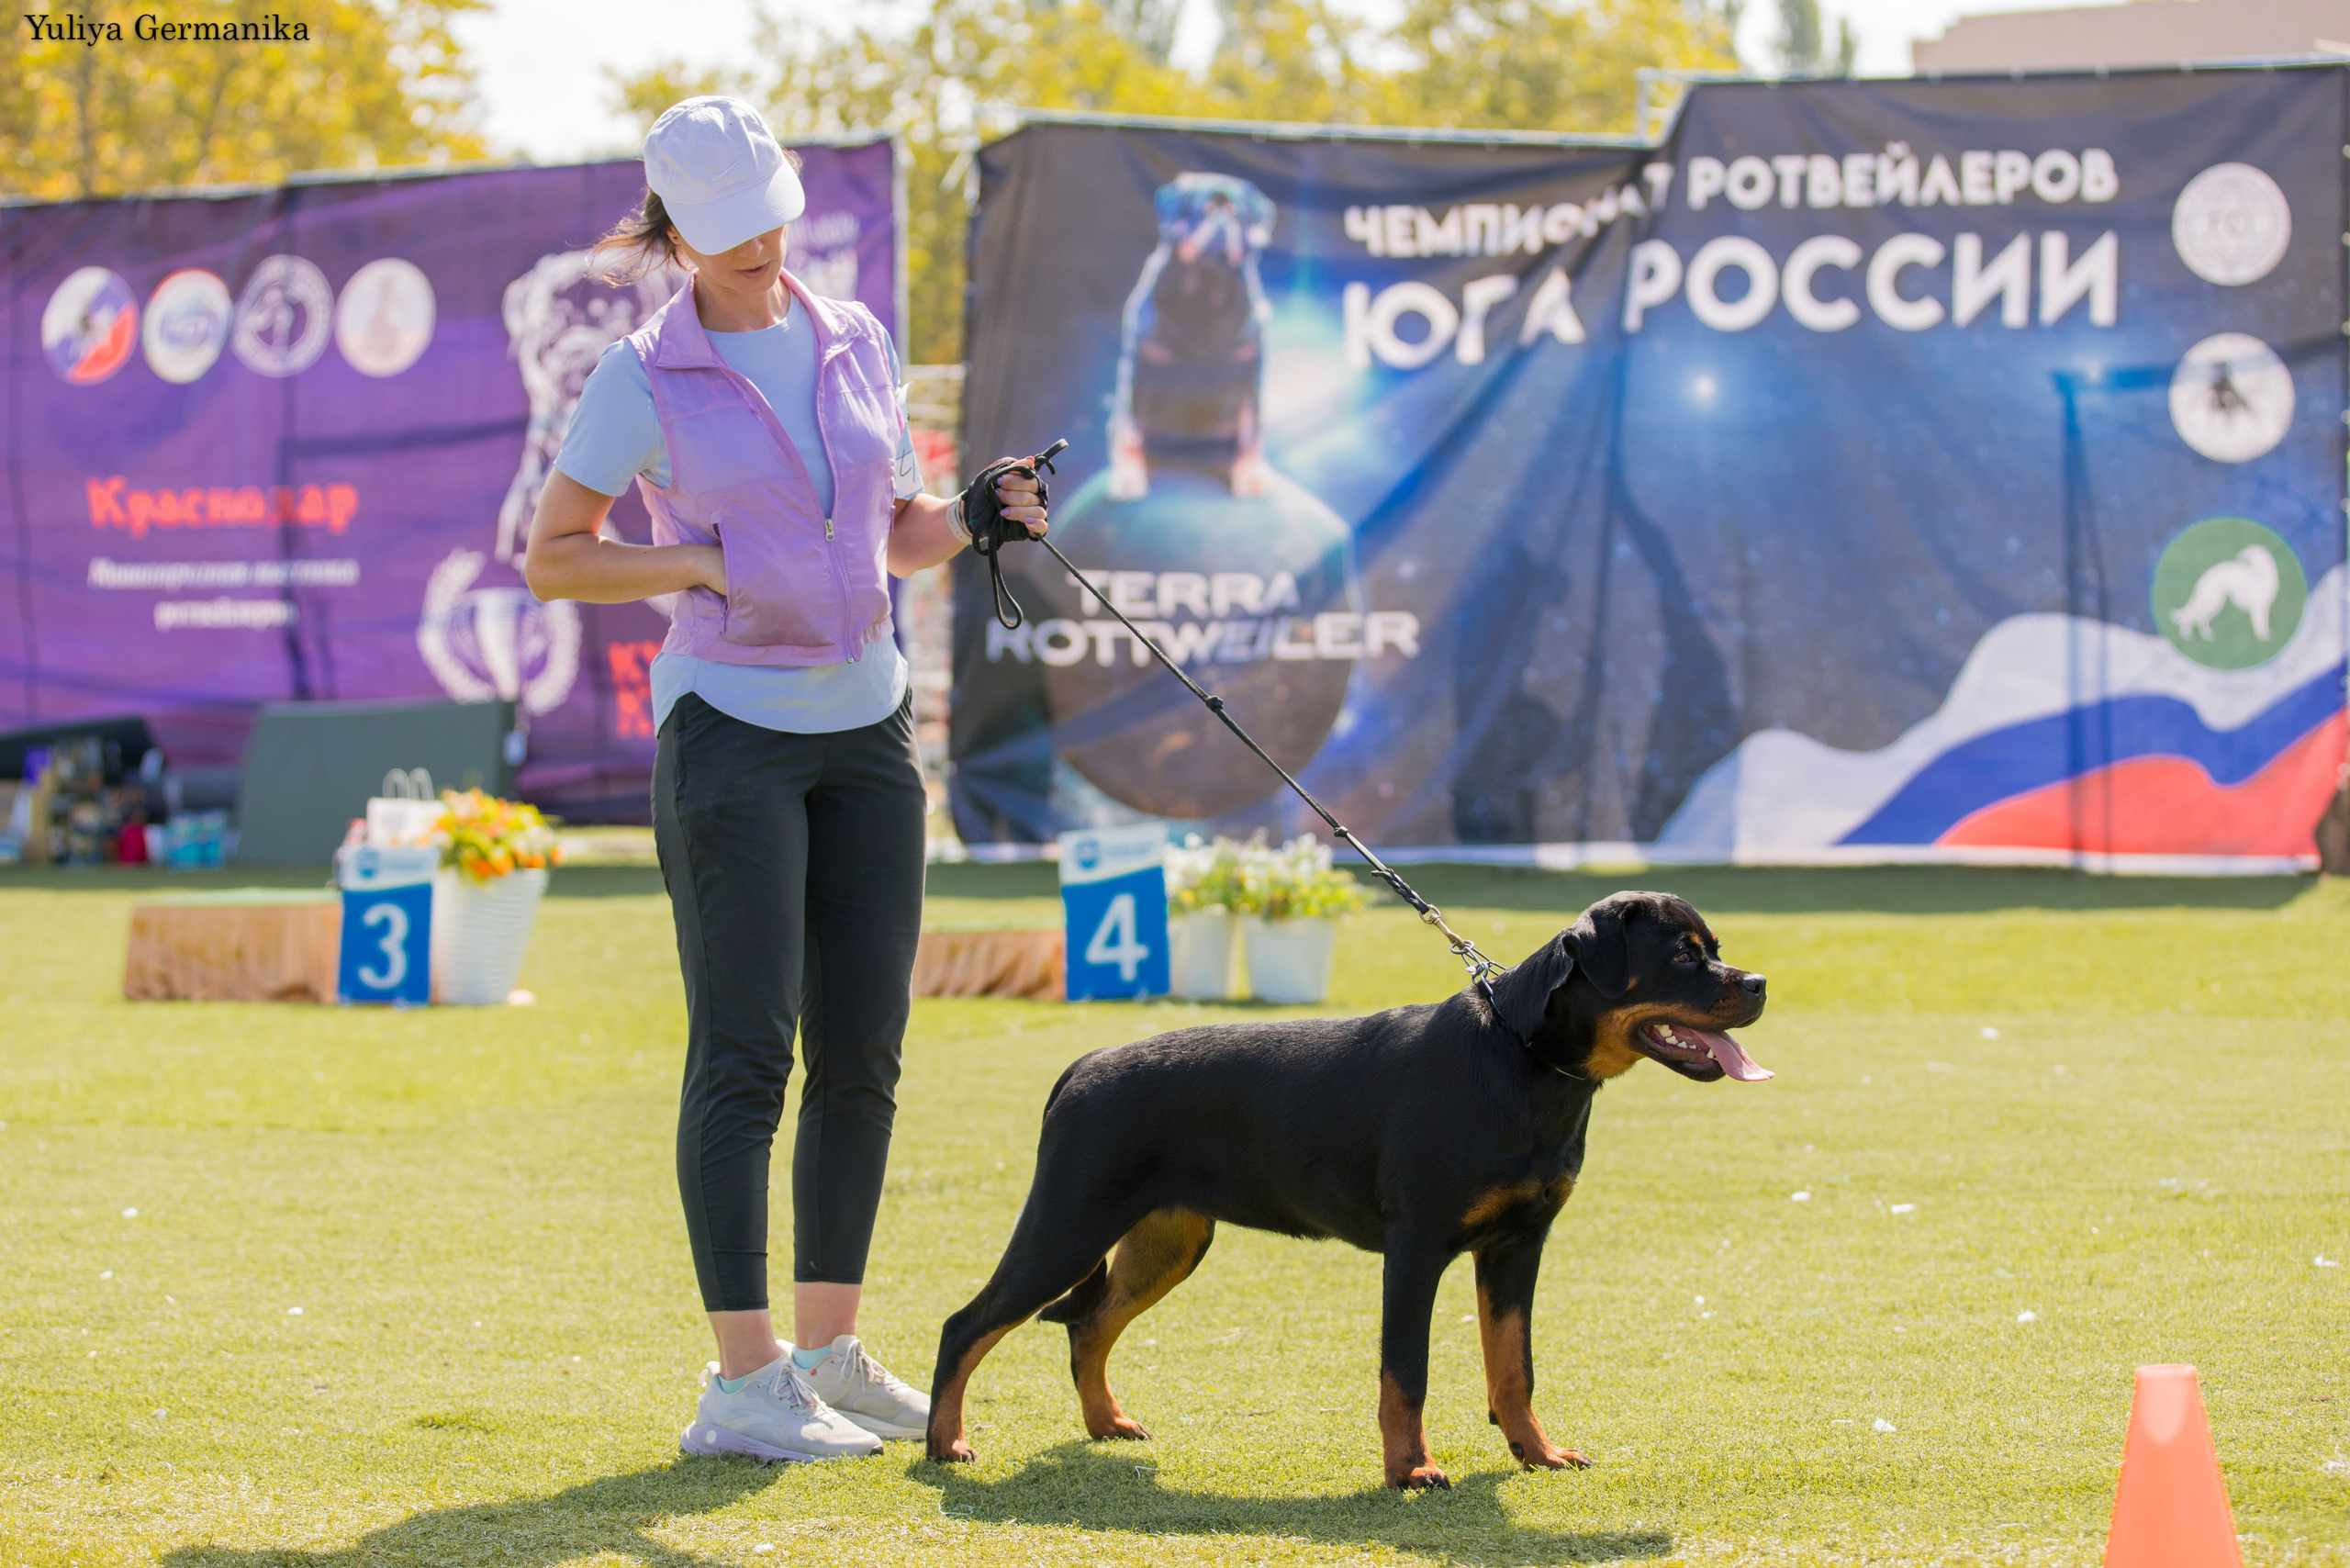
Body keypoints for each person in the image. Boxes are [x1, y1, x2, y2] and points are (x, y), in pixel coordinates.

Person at [521, 95, 1047, 1465]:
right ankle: (742, 1383)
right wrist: (691, 564)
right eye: (732, 239)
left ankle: (826, 1351)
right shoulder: (641, 374)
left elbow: (897, 530)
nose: (764, 253)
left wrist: (974, 517)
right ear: (676, 239)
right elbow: (557, 553)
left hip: (867, 730)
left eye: (773, 225)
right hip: (729, 734)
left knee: (864, 1052)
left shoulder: (854, 339)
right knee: (748, 1050)